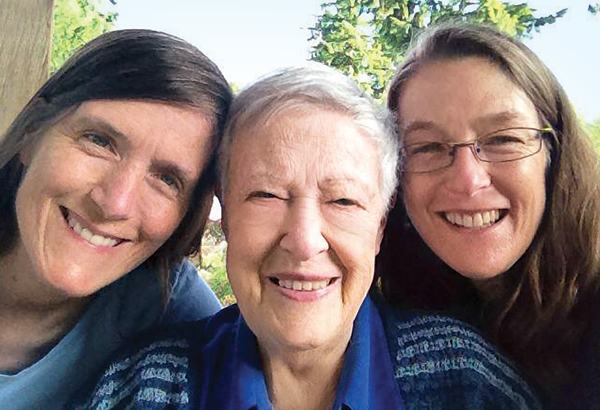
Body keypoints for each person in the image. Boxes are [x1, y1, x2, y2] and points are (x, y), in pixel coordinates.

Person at [72, 64, 540, 410]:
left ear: (379, 227)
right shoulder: (141, 387)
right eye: (266, 194)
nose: (304, 240)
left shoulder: (464, 378)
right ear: (226, 214)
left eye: (343, 202)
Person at [0, 29, 232, 409]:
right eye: (99, 141)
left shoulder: (173, 310)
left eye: (167, 179)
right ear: (32, 132)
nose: (115, 203)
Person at [378, 22, 600, 407]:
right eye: (428, 147)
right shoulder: (398, 324)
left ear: (555, 155)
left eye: (503, 139)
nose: (468, 180)